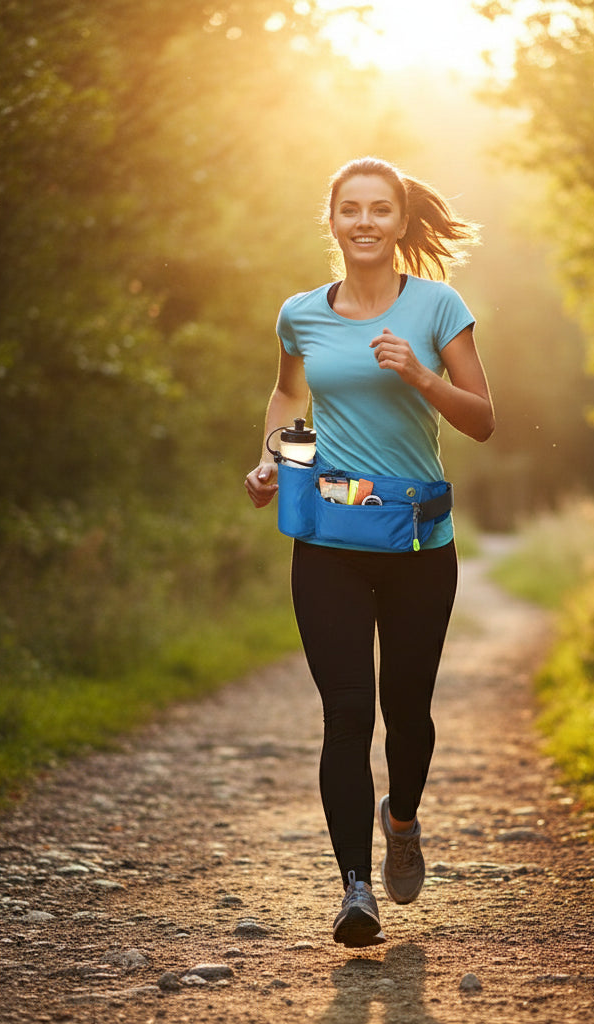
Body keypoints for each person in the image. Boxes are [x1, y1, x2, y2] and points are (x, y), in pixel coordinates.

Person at [244, 156, 494, 947]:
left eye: (379, 209)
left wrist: (421, 375)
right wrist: (270, 459)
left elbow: (483, 419)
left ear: (400, 221)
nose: (363, 222)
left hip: (421, 543)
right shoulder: (300, 315)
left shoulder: (438, 305)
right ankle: (355, 888)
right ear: (332, 221)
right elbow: (290, 394)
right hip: (329, 541)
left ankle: (403, 817)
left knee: (407, 714)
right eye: (349, 209)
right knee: (347, 710)